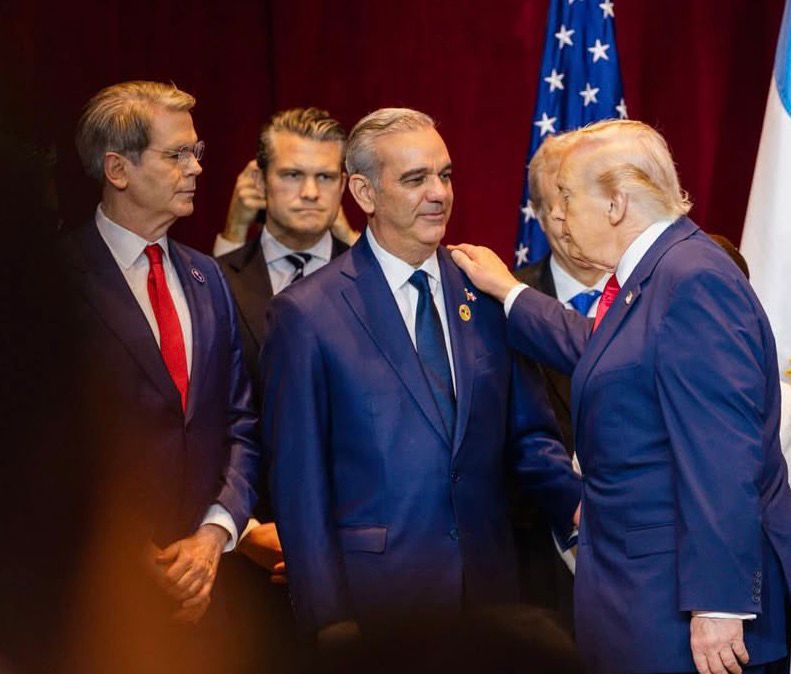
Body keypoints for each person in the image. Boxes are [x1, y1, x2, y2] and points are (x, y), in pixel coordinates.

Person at [451, 119, 791, 674]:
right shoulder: (658, 275)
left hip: (684, 616)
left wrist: (719, 605)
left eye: (566, 197)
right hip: (645, 599)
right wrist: (510, 293)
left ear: (615, 204)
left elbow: (722, 454)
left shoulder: (692, 281)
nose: (556, 216)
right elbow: (611, 354)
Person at [260, 108, 581, 645]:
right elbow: (299, 485)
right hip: (378, 607)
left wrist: (579, 507)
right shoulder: (307, 313)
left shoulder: (485, 290)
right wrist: (328, 621)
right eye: (415, 179)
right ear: (364, 192)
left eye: (445, 175)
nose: (439, 193)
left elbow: (529, 436)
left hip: (490, 598)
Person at [64, 81, 260, 665]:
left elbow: (241, 422)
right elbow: (32, 443)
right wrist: (129, 555)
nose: (196, 168)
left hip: (214, 599)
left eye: (196, 152)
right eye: (177, 154)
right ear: (117, 169)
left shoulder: (208, 278)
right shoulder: (51, 280)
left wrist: (213, 535)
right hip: (90, 602)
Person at [214, 108, 351, 673]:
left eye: (326, 176)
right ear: (261, 179)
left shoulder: (381, 282)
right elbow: (202, 421)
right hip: (249, 560)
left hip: (364, 562)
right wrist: (242, 529)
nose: (311, 192)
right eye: (293, 175)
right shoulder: (210, 280)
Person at [512, 133, 609, 629]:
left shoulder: (656, 295)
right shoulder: (500, 303)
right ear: (536, 212)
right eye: (559, 206)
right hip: (534, 569)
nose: (573, 223)